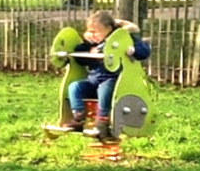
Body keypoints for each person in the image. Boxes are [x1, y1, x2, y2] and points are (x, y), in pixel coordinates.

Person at [59, 11, 151, 141]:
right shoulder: (93, 43)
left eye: (96, 31)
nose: (93, 35)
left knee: (105, 89)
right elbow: (79, 55)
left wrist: (132, 50)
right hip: (93, 79)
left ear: (108, 29)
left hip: (112, 78)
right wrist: (89, 51)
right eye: (90, 31)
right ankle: (78, 117)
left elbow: (144, 51)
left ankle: (102, 122)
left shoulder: (123, 38)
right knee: (75, 87)